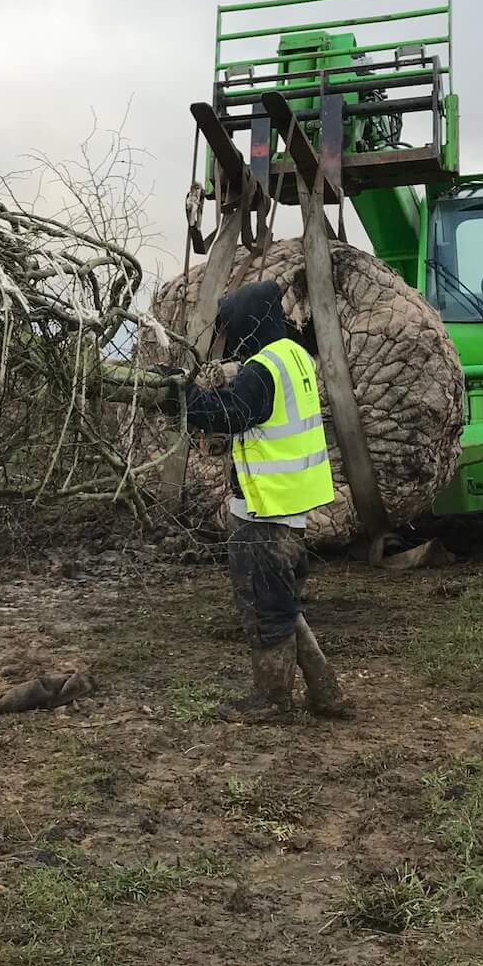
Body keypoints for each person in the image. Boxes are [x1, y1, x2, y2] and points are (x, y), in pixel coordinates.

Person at [165, 280, 352, 722]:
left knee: (264, 608)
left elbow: (230, 414)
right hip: (293, 509)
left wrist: (182, 398)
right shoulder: (296, 358)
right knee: (283, 603)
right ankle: (326, 692)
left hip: (262, 513)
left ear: (247, 324)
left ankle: (272, 701)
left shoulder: (262, 369)